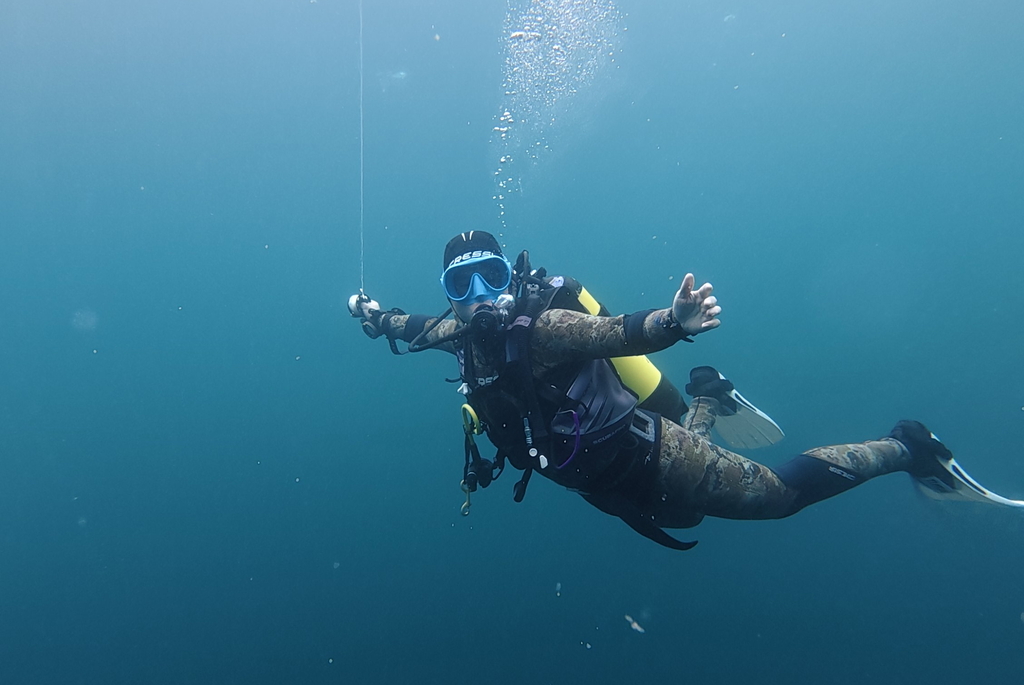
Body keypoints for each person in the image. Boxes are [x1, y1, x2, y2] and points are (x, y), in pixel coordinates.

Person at [349, 231, 1023, 549]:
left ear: (508, 277)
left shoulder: (545, 327)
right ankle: (708, 394)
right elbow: (409, 326)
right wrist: (374, 316)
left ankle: (909, 445)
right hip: (599, 481)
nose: (478, 298)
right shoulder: (455, 333)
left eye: (488, 276)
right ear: (451, 297)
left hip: (651, 455)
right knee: (688, 521)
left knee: (781, 497)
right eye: (459, 285)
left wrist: (675, 322)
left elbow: (615, 332)